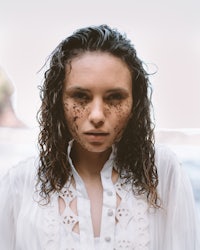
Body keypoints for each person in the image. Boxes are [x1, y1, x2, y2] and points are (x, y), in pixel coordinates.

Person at [0, 24, 199, 250]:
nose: (97, 115)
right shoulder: (20, 184)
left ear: (135, 103)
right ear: (58, 101)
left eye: (114, 98)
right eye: (81, 96)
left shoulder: (164, 174)